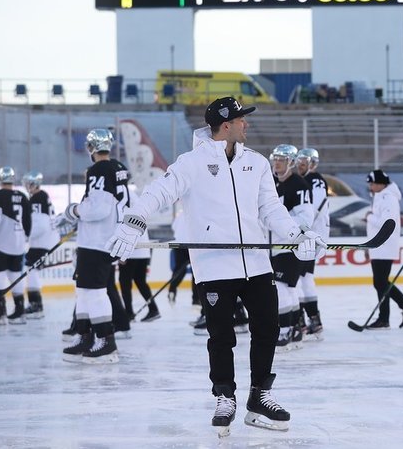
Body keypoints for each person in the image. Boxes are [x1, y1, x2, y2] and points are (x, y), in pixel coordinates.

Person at [105, 96, 326, 436]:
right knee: (221, 337)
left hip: (255, 262)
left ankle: (259, 396)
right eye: (241, 120)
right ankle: (225, 397)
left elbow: (271, 209)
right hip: (215, 265)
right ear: (226, 125)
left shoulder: (257, 162)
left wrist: (297, 233)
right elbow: (158, 192)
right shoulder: (191, 163)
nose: (246, 124)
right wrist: (134, 220)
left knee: (266, 329)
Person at [52, 130, 130, 362]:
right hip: (102, 239)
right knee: (84, 291)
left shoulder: (99, 170)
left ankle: (107, 342)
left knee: (95, 293)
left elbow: (97, 209)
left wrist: (73, 210)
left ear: (91, 148)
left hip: (96, 241)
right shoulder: (118, 167)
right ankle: (85, 336)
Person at [269, 144, 314, 350]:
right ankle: (295, 328)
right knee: (289, 288)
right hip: (276, 246)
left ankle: (285, 329)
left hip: (291, 245)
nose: (277, 163)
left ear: (291, 162)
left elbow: (306, 218)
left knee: (281, 287)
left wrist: (280, 224)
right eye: (275, 159)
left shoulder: (299, 184)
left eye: (282, 159)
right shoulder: (271, 184)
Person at [365, 169, 403, 330]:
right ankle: (385, 317)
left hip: (385, 245)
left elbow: (385, 222)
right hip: (377, 245)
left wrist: (369, 216)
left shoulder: (388, 198)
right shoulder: (380, 196)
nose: (370, 187)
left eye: (372, 184)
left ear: (381, 184)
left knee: (380, 282)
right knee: (379, 282)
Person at [295, 148, 329, 340]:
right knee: (305, 277)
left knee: (298, 278)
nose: (300, 164)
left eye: (304, 161)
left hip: (309, 237)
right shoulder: (310, 180)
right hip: (311, 235)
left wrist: (297, 228)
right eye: (298, 161)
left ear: (313, 164)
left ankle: (300, 320)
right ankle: (314, 321)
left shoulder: (314, 179)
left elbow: (312, 210)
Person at [0, 167, 31, 324]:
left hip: (0, 243)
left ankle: (1, 312)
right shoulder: (22, 196)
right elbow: (28, 220)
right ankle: (20, 310)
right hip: (18, 243)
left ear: (0, 179)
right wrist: (25, 237)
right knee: (15, 276)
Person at [22, 171, 54, 318]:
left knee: (31, 270)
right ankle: (36, 304)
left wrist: (25, 235)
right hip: (40, 241)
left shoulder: (38, 198)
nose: (27, 186)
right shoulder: (40, 196)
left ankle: (36, 305)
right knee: (31, 270)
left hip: (40, 242)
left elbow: (41, 225)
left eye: (29, 183)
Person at [118, 237, 158, 323]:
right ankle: (153, 309)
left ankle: (129, 314)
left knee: (125, 284)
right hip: (144, 252)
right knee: (141, 282)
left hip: (130, 254)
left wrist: (122, 254)